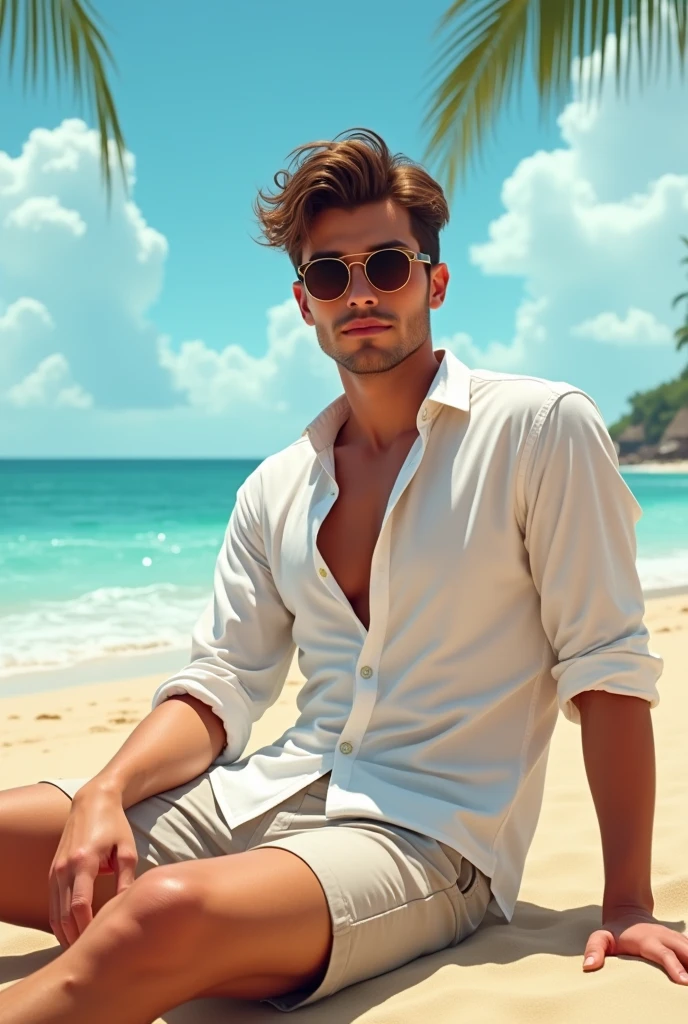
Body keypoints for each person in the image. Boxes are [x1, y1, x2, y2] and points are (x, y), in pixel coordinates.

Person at [0, 126, 677, 1024]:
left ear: (435, 281)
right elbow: (220, 689)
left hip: (427, 840)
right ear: (302, 303)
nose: (358, 293)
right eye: (330, 275)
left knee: (156, 917)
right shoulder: (277, 486)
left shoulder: (541, 430)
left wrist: (626, 900)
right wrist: (103, 791)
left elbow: (606, 666)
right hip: (263, 793)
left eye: (386, 266)